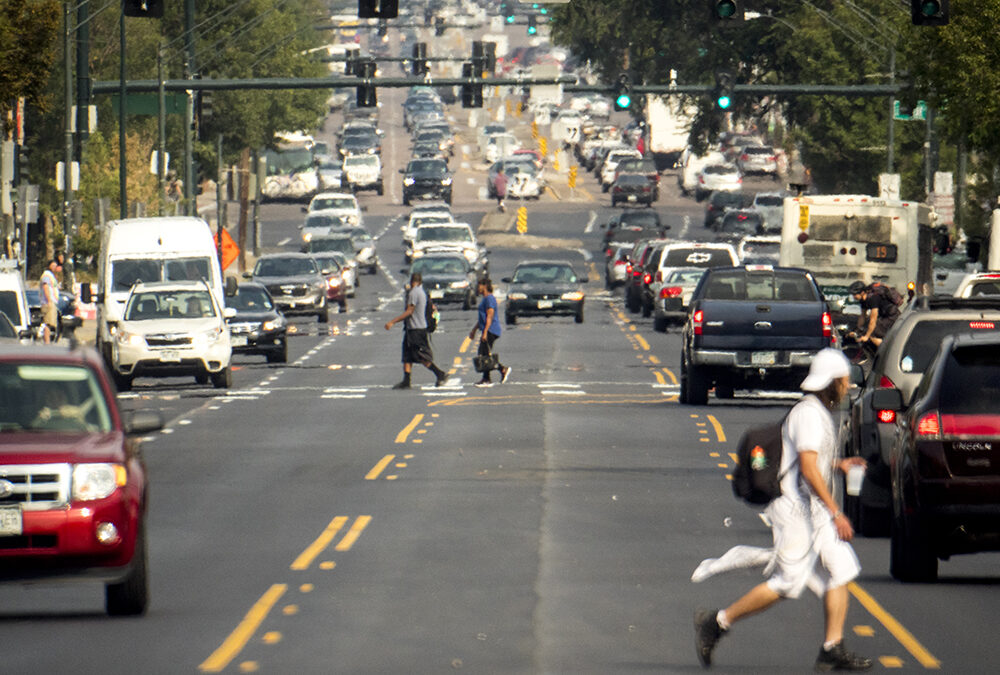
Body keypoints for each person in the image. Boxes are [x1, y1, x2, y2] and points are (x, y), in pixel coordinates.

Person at [694, 348, 872, 672]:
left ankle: (832, 647)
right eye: (844, 381)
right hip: (795, 511)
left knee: (841, 568)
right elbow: (806, 468)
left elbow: (812, 462)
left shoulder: (817, 412)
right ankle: (717, 623)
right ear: (831, 382)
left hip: (813, 510)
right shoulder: (808, 414)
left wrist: (839, 464)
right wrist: (836, 512)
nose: (847, 387)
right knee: (787, 584)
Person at [384, 272, 448, 389]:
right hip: (412, 329)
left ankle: (440, 374)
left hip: (417, 330)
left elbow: (409, 311)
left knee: (421, 356)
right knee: (407, 355)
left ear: (412, 281)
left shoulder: (414, 293)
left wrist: (392, 322)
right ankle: (406, 380)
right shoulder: (421, 291)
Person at [468, 277, 510, 387]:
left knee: (485, 354)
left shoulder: (490, 299)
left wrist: (485, 332)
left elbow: (489, 316)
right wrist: (474, 329)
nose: (478, 288)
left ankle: (500, 370)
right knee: (484, 354)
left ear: (485, 286)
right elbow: (482, 318)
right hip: (488, 329)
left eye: (479, 285)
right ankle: (488, 377)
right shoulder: (485, 299)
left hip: (491, 329)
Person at [847, 280, 900, 349]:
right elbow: (862, 316)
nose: (854, 297)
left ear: (862, 292)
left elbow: (873, 320)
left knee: (872, 333)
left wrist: (867, 336)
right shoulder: (863, 300)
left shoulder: (873, 298)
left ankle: (887, 352)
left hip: (892, 316)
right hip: (883, 316)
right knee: (866, 330)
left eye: (855, 294)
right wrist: (858, 330)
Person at [39, 257, 62, 344]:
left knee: (51, 323)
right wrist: (49, 301)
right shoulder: (46, 275)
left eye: (55, 266)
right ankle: (47, 342)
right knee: (47, 323)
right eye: (52, 265)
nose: (54, 267)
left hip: (52, 302)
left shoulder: (51, 276)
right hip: (48, 303)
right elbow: (45, 287)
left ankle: (47, 341)